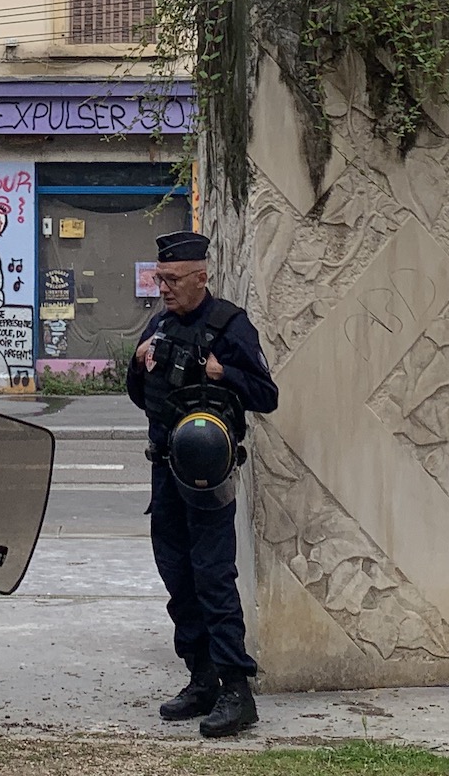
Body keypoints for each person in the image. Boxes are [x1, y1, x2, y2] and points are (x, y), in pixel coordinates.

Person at [127, 230, 279, 739]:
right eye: (159, 278)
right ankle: (201, 677)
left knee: (213, 578)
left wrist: (224, 372)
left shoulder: (229, 325)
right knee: (177, 578)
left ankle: (237, 689)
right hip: (165, 471)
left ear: (200, 276)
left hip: (210, 478)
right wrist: (137, 362)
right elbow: (142, 396)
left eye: (171, 279)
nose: (163, 288)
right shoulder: (160, 324)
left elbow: (266, 394)